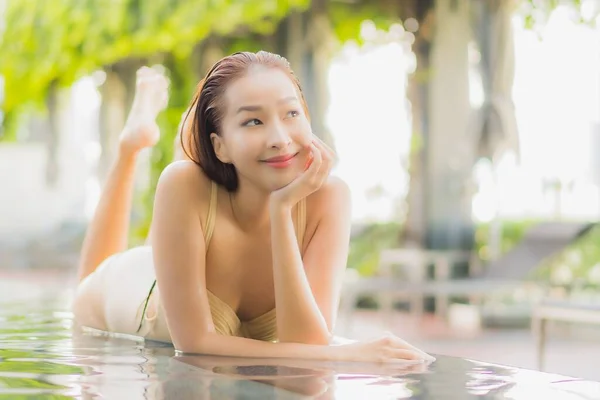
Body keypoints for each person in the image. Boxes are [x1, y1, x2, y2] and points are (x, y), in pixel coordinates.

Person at [72, 51, 434, 364]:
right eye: (253, 121)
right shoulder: (180, 183)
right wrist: (345, 354)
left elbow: (305, 345)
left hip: (195, 228)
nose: (280, 139)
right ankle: (131, 146)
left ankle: (176, 138)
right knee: (87, 283)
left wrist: (282, 211)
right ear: (220, 147)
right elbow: (194, 343)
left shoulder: (328, 198)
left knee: (177, 229)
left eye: (291, 114)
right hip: (133, 292)